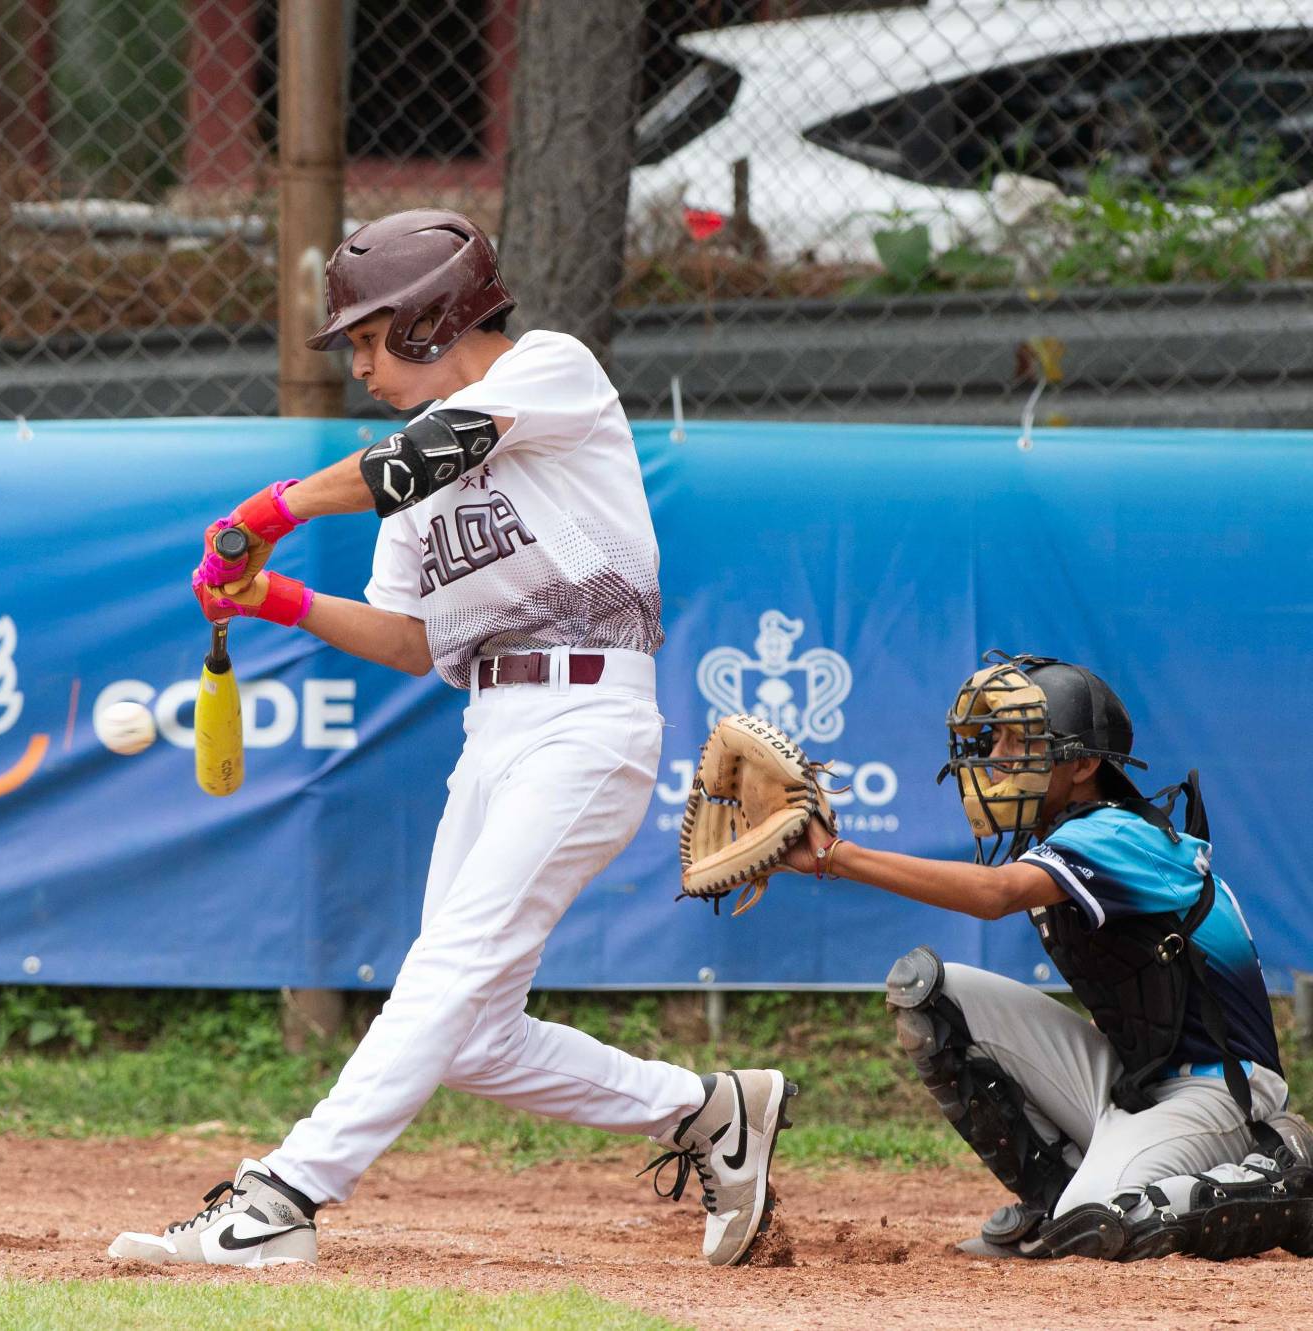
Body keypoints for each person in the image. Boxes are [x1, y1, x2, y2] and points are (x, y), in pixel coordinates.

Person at [105, 209, 796, 1270]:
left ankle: (283, 1196)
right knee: (470, 1030)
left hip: (586, 720)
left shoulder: (547, 372)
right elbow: (417, 640)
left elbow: (421, 454)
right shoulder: (405, 490)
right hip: (491, 731)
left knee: (444, 965)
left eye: (372, 339)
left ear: (431, 319)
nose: (362, 365)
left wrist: (268, 508)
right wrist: (276, 598)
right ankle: (708, 1112)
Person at [780, 652, 1311, 1260]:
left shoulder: (1119, 833)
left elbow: (994, 895)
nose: (999, 757)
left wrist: (834, 856)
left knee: (1101, 1221)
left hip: (1219, 1095)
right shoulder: (1065, 837)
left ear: (1083, 763)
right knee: (933, 993)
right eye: (997, 738)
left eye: (1020, 740)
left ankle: (1279, 1174)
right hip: (1133, 1082)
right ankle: (1054, 1201)